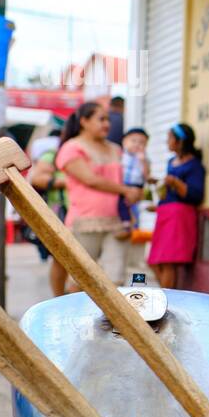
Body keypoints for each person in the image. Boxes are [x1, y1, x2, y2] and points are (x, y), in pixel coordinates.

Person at [54, 102, 141, 288]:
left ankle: (113, 317)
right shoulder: (72, 148)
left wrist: (135, 193)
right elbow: (90, 179)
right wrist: (126, 191)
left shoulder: (115, 149)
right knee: (81, 279)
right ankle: (76, 316)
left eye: (108, 119)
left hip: (118, 221)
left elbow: (128, 177)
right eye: (101, 119)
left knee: (116, 279)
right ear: (84, 121)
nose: (107, 124)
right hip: (86, 222)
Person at [147, 123, 205, 289]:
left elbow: (195, 195)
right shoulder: (171, 162)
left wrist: (174, 182)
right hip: (165, 213)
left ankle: (167, 299)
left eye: (170, 138)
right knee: (154, 261)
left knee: (167, 261)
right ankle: (169, 295)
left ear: (180, 142)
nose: (167, 142)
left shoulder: (195, 165)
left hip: (179, 215)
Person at [27, 130, 69, 295]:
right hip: (60, 211)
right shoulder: (52, 155)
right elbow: (36, 179)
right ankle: (58, 298)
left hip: (79, 212)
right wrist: (65, 182)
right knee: (60, 259)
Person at [118, 126, 150, 230]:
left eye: (141, 143)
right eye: (133, 141)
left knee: (134, 207)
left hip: (136, 185)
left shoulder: (144, 159)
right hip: (121, 184)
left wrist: (143, 161)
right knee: (121, 204)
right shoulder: (120, 155)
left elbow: (147, 176)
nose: (137, 144)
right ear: (124, 142)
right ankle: (125, 222)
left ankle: (134, 226)